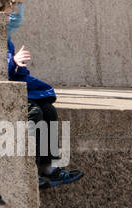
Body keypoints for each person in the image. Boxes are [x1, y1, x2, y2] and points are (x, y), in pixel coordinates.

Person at [8, 39, 83, 190]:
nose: (9, 16)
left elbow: (15, 73)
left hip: (14, 89)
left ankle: (47, 167)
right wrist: (13, 61)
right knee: (34, 112)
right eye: (6, 13)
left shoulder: (7, 41)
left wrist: (19, 67)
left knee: (48, 110)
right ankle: (29, 169)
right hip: (3, 94)